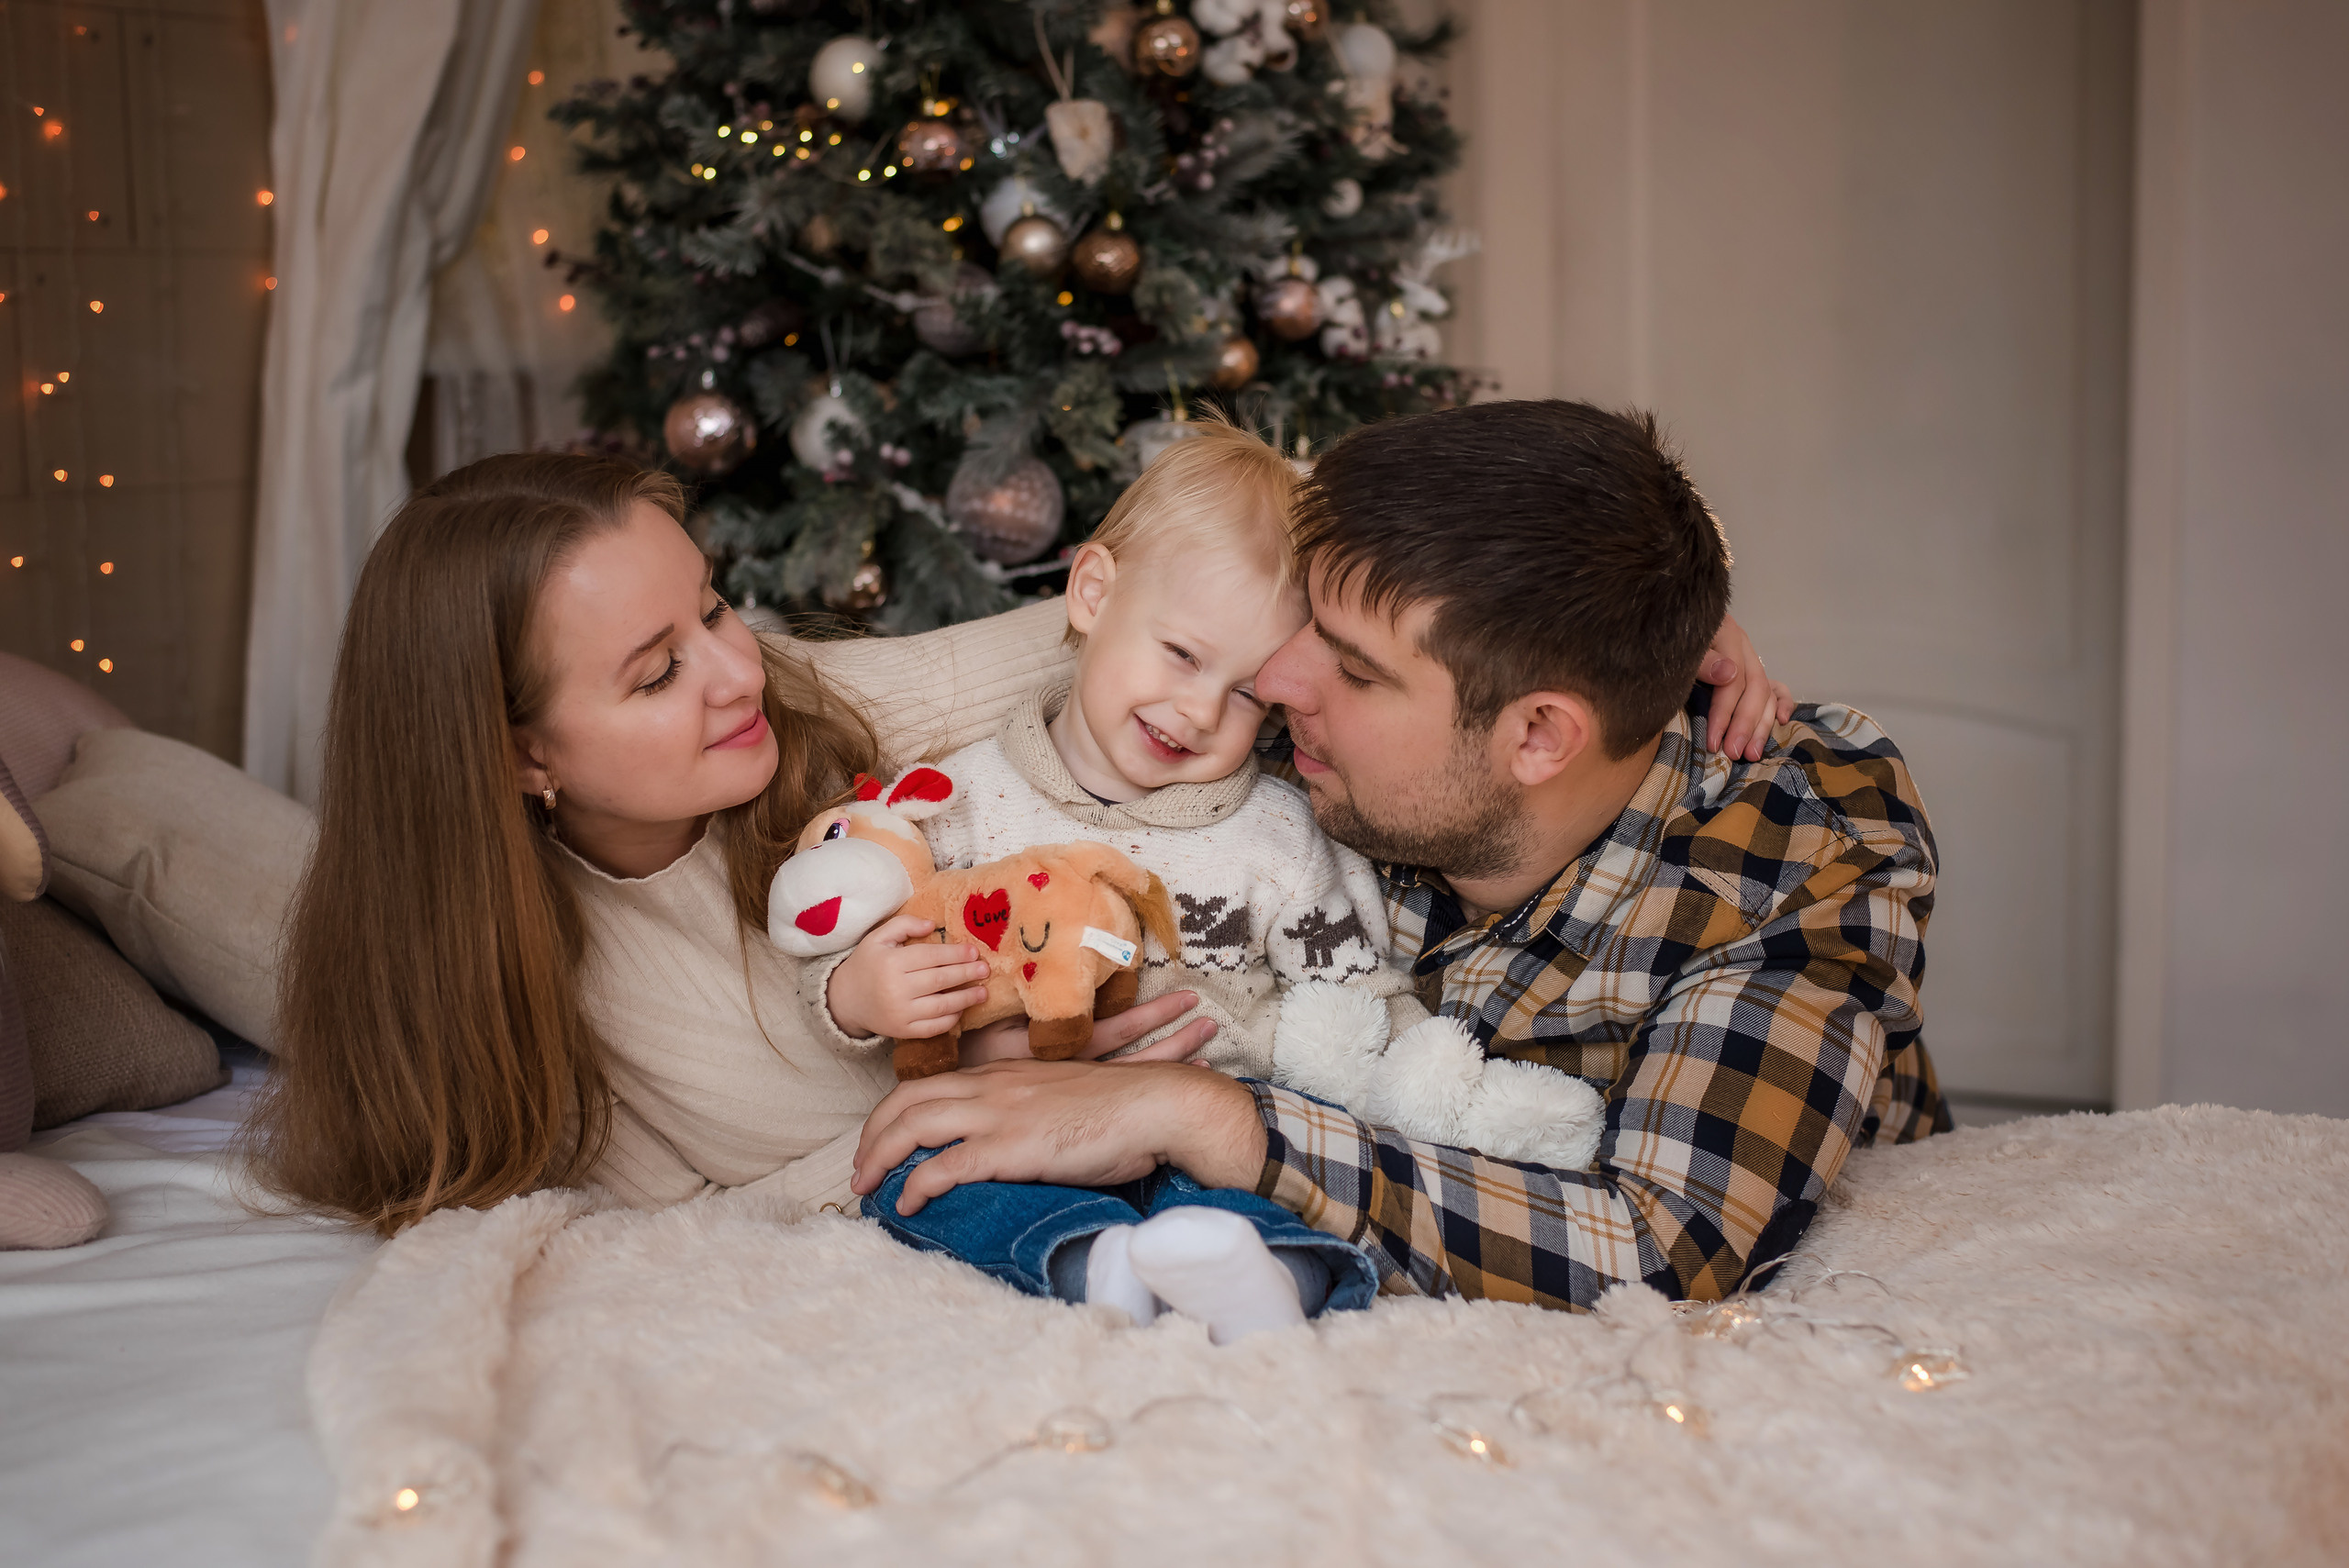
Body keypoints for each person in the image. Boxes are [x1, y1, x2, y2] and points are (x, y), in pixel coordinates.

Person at [851, 400, 1950, 1311]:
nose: (1273, 686)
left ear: (1537, 736)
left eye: (1354, 670)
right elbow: (1140, 608)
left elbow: (1663, 1245)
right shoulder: (1293, 706)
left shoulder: (1790, 853)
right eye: (1301, 633)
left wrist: (1194, 1114)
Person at [243, 452, 1208, 1234]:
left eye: (711, 608)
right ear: (524, 755)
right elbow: (690, 1228)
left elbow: (1142, 608)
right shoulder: (507, 984)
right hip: (397, 932)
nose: (740, 673)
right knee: (192, 880)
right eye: (658, 672)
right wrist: (981, 1093)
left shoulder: (815, 708)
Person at [827, 419, 1405, 1342]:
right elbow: (866, 918)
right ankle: (1093, 1262)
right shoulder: (962, 797)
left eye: (1250, 691)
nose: (1199, 708)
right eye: (1181, 654)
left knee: (1276, 1195)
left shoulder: (1278, 833)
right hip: (1011, 1124)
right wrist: (859, 995)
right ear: (1093, 591)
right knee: (917, 1167)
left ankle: (1266, 1278)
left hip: (1202, 1123)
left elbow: (1357, 999)